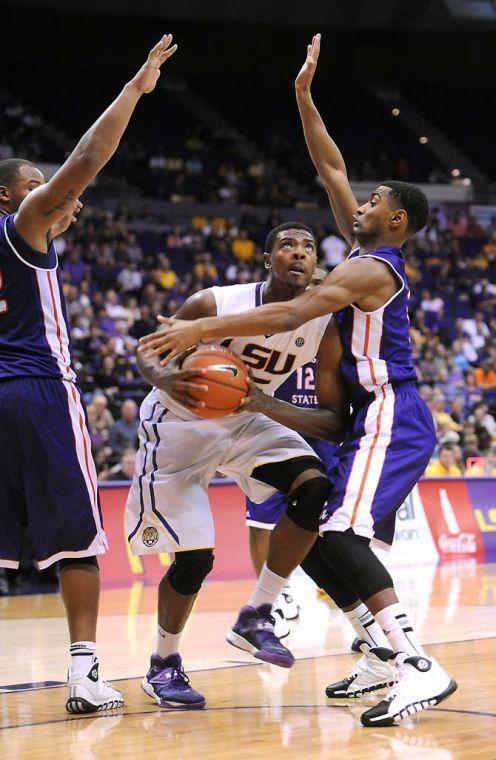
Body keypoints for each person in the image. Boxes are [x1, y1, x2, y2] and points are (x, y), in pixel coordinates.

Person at [141, 35, 457, 727]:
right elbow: (329, 163)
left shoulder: (374, 268)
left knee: (341, 535)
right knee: (313, 528)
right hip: (366, 416)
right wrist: (304, 96)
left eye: (370, 201)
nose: (356, 203)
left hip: (388, 413)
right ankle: (380, 654)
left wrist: (196, 331)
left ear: (393, 220)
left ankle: (415, 663)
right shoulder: (365, 246)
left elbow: (290, 310)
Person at [0, 33, 178, 713]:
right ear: (11, 196)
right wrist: (135, 88)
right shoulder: (23, 225)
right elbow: (88, 159)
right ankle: (83, 673)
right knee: (78, 538)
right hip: (38, 391)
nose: (59, 197)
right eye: (36, 186)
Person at [131, 222, 347, 710]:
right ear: (267, 259)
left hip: (247, 415)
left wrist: (261, 404)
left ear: (317, 264)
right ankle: (163, 664)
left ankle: (257, 613)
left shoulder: (322, 326)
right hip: (178, 423)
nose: (299, 253)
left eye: (309, 246)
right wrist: (168, 378)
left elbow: (333, 423)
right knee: (196, 558)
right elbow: (147, 352)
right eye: (288, 245)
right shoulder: (216, 303)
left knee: (314, 487)